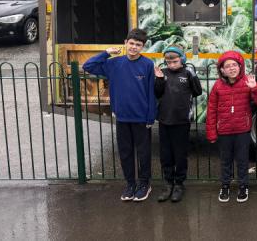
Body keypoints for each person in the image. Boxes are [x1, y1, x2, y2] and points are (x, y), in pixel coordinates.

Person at [83, 28, 155, 202]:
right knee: (125, 153)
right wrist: (106, 53)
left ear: (143, 47)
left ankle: (144, 184)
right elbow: (88, 66)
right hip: (122, 117)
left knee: (143, 153)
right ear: (125, 43)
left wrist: (150, 117)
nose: (134, 47)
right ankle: (130, 184)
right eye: (131, 43)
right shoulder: (114, 63)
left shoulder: (147, 64)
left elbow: (151, 92)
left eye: (138, 45)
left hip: (141, 118)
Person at [206, 51, 257, 203]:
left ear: (240, 67)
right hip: (224, 131)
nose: (232, 68)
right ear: (222, 70)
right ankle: (225, 185)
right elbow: (211, 110)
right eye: (228, 66)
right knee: (225, 160)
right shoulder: (217, 86)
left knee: (242, 160)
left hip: (242, 130)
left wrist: (255, 87)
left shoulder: (247, 82)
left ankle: (243, 186)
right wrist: (211, 132)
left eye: (234, 65)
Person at [154, 46, 202, 203]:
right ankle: (168, 183)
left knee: (180, 155)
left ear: (182, 59)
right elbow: (157, 93)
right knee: (166, 155)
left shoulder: (187, 73)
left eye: (175, 61)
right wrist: (159, 79)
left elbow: (198, 92)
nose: (171, 65)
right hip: (164, 120)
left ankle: (179, 184)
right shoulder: (163, 72)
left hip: (181, 121)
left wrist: (193, 76)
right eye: (168, 62)